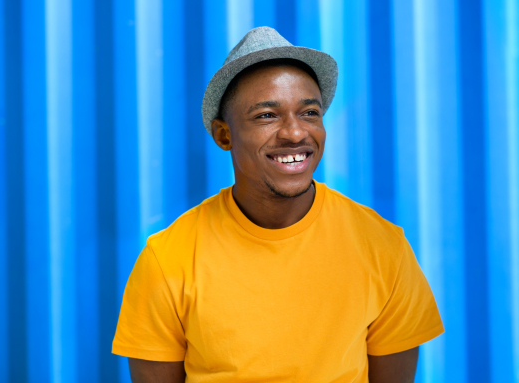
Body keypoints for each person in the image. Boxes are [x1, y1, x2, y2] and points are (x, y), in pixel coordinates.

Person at [112, 27, 444, 383]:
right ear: (224, 135)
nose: (295, 133)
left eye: (310, 113)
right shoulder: (168, 260)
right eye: (267, 116)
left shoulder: (382, 247)